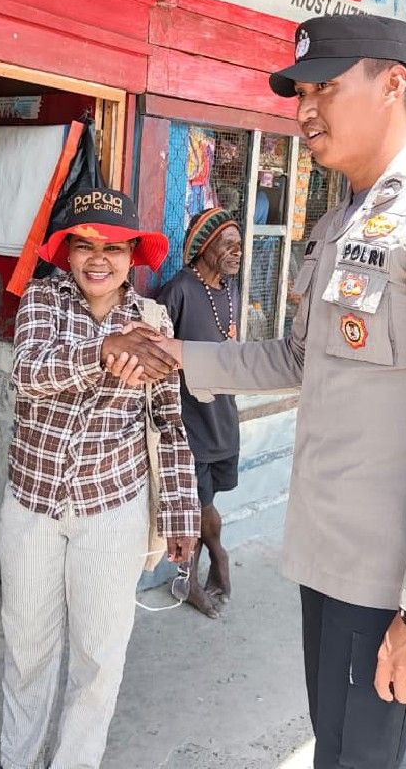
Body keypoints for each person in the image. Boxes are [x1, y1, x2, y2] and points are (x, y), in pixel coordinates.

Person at [116, 15, 406, 768]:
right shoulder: (340, 224)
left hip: (398, 584)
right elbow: (300, 360)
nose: (305, 110)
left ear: (394, 84)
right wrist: (179, 355)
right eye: (299, 93)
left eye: (325, 89)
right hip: (331, 565)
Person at [0, 188, 200, 769]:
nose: (98, 258)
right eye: (84, 245)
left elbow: (168, 422)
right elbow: (29, 372)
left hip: (113, 508)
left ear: (134, 254)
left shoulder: (155, 321)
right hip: (32, 503)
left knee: (99, 654)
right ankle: (18, 761)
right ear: (66, 253)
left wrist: (181, 515)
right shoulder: (41, 299)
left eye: (113, 246)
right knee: (27, 648)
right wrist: (104, 350)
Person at [154, 207, 243, 619]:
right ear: (204, 247)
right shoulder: (179, 291)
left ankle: (216, 560)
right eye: (228, 243)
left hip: (222, 415)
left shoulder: (229, 290)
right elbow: (155, 351)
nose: (236, 251)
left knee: (207, 499)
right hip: (189, 423)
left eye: (239, 244)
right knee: (195, 502)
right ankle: (193, 578)